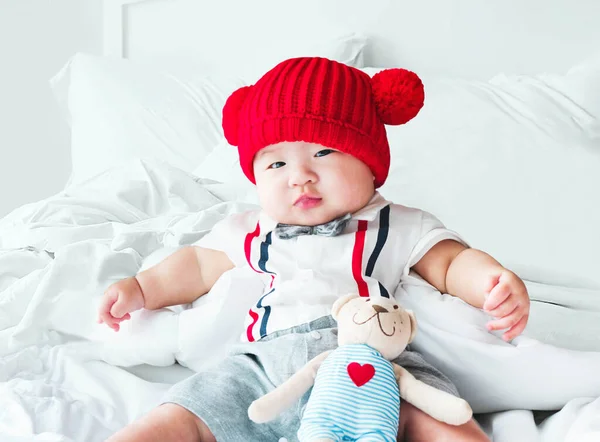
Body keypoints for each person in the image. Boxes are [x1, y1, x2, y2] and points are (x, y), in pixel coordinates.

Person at [99, 57, 529, 442]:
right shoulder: (248, 229)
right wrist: (141, 287)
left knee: (436, 414)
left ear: (370, 165)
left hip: (374, 360)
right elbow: (195, 265)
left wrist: (489, 281)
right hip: (262, 363)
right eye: (276, 163)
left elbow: (450, 261)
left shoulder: (396, 222)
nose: (300, 176)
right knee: (187, 410)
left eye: (323, 152)